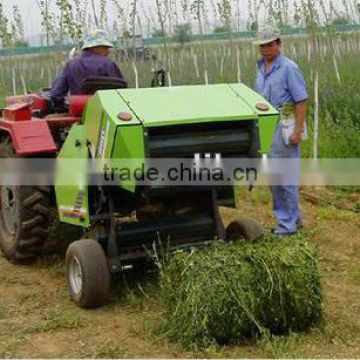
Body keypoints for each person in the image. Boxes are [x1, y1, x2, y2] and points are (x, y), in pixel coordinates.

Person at [254, 25, 308, 236]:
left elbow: (301, 101)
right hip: (267, 126)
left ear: (278, 44)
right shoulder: (260, 68)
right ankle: (294, 219)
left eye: (269, 44)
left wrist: (297, 131)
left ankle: (287, 227)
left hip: (284, 127)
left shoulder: (288, 68)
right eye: (262, 45)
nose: (265, 49)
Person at [50, 29, 125, 103]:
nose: (108, 51)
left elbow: (56, 93)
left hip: (78, 111)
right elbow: (122, 92)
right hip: (104, 110)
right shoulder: (109, 64)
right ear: (96, 47)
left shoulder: (71, 64)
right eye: (106, 48)